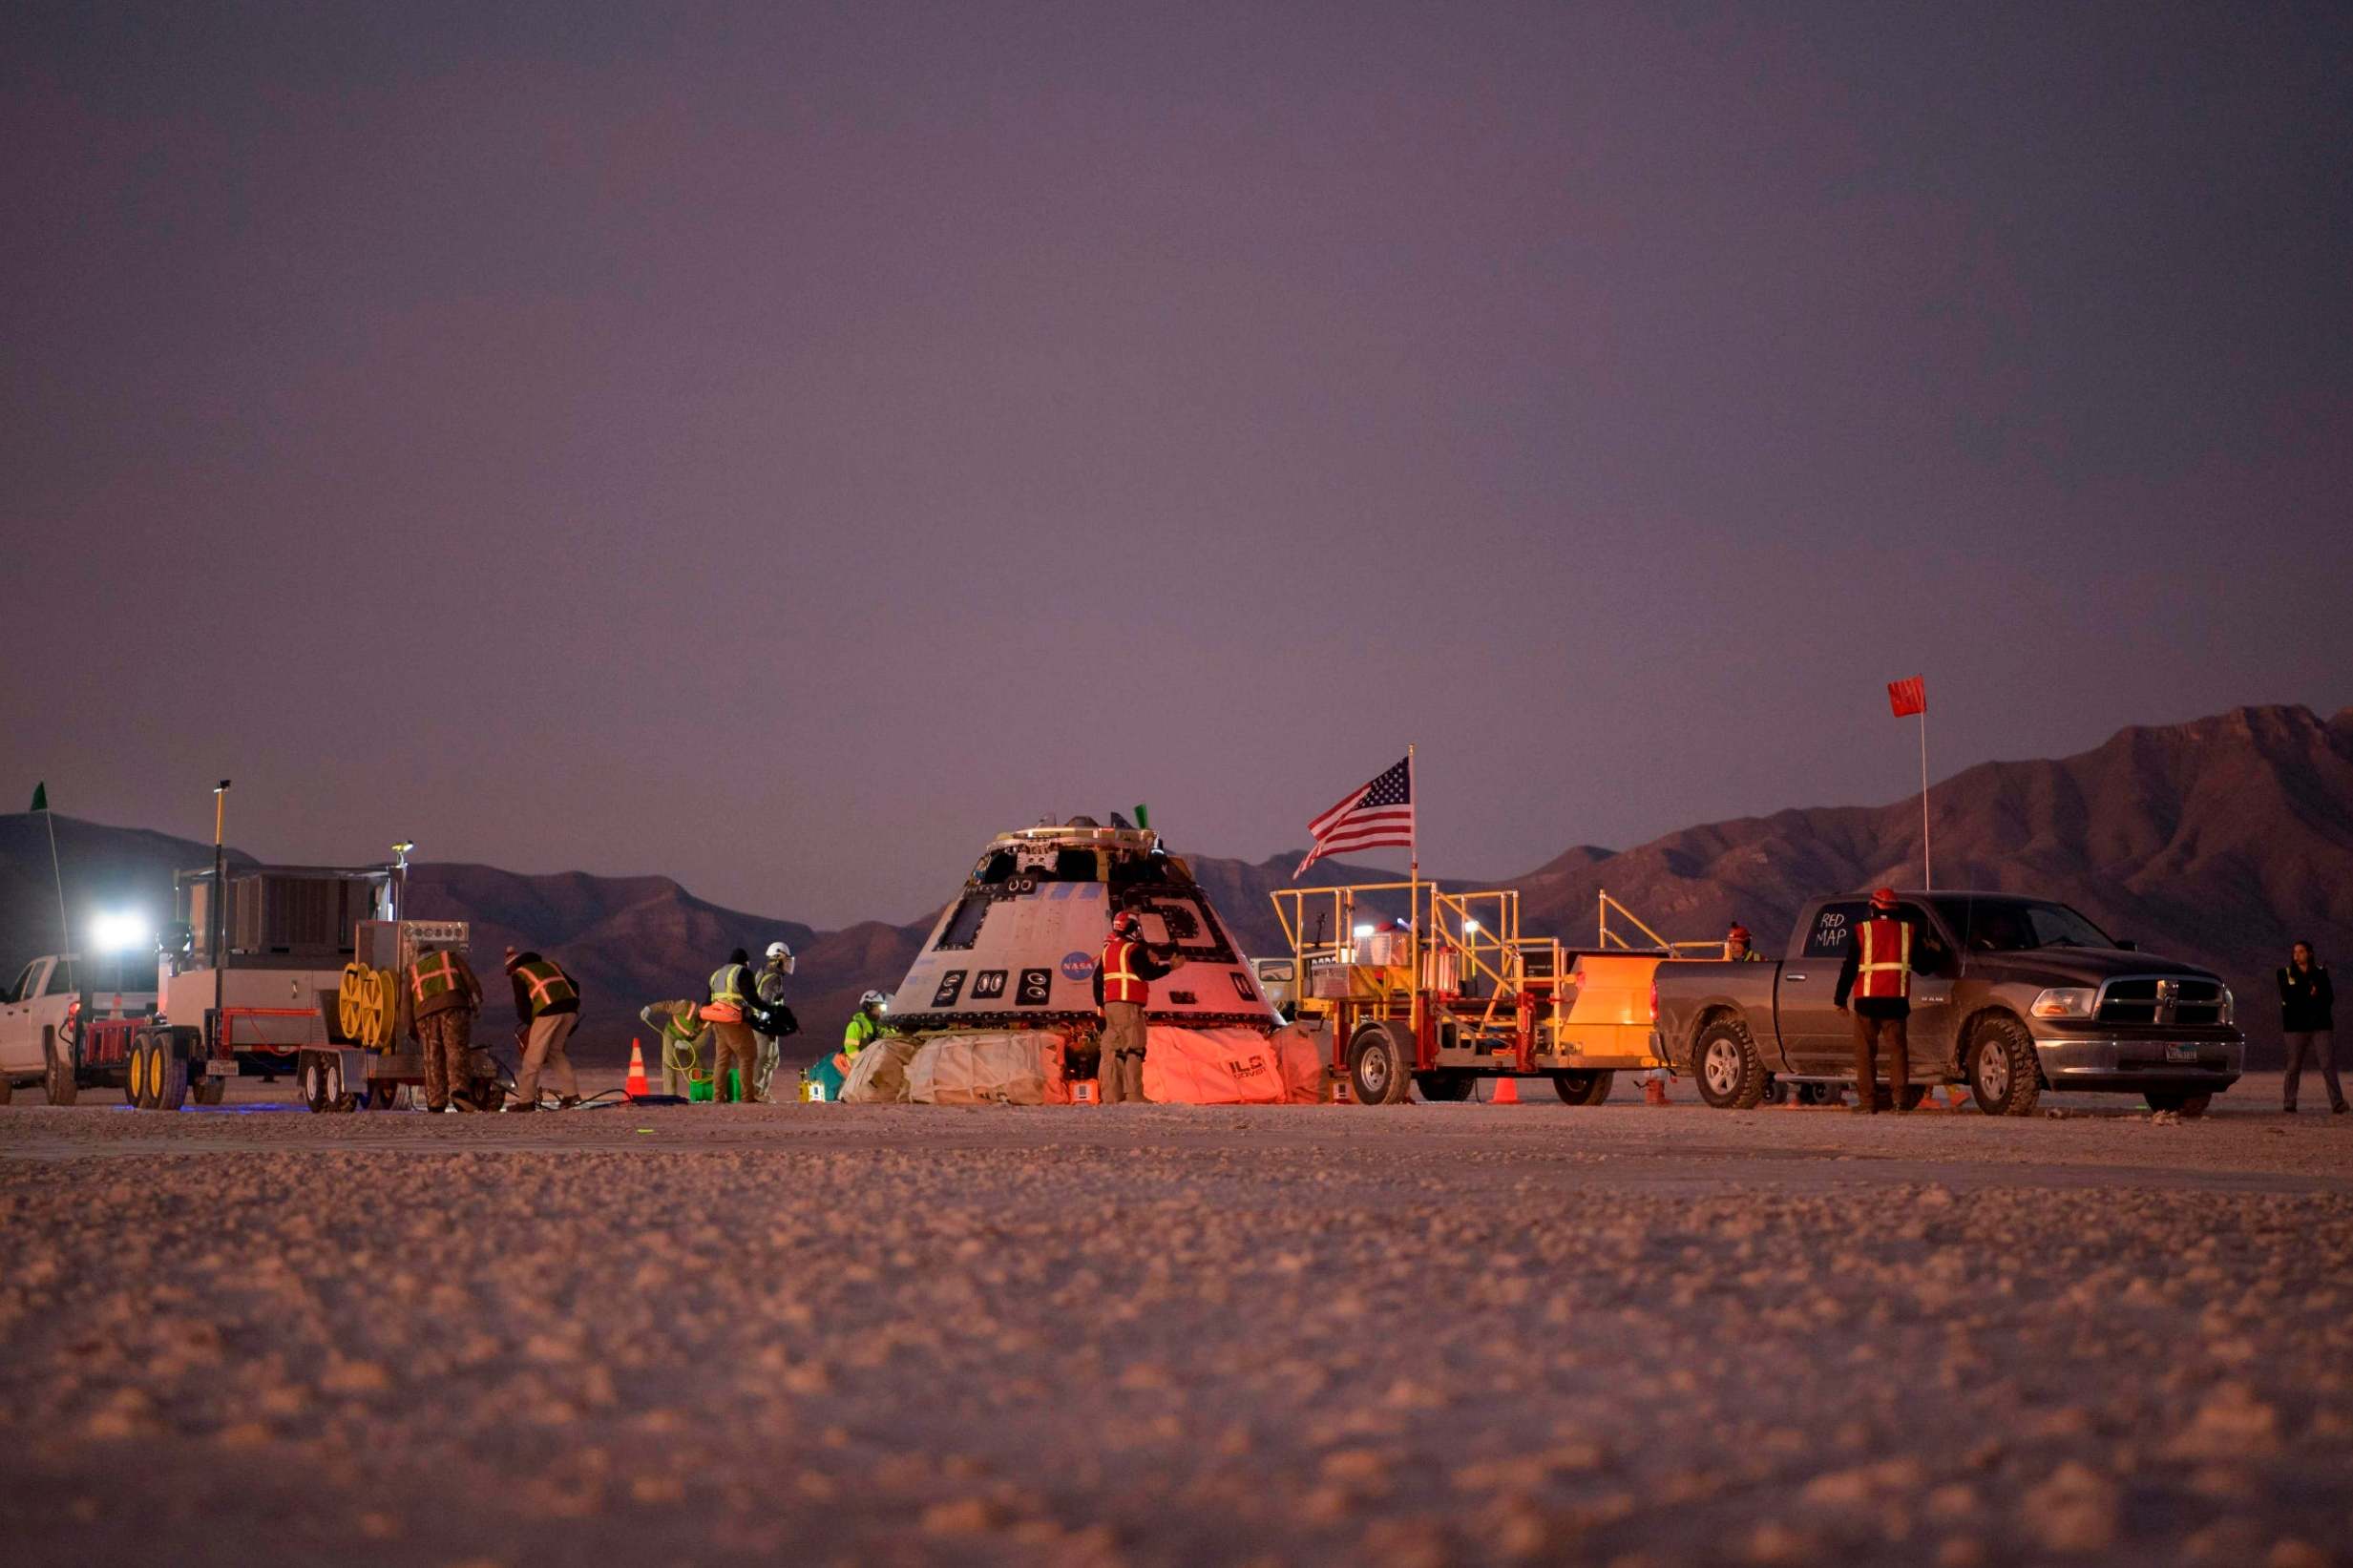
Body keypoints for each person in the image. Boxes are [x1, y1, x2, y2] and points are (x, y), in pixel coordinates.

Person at [1834, 888, 1914, 1114]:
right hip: (1896, 1003)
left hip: (1867, 1003)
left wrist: (1840, 999)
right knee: (1898, 1052)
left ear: (1873, 907)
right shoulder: (1907, 931)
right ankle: (1900, 1101)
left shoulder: (1863, 930)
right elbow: (1925, 965)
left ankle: (1868, 1103)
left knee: (1866, 1054)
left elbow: (1849, 968)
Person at [1092, 910, 1180, 1104]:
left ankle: (1111, 1096)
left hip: (1111, 1006)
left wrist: (1100, 1010)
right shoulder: (1133, 949)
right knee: (1133, 1048)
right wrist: (1170, 966)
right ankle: (1133, 1095)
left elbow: (1098, 980)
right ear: (1133, 927)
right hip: (1129, 1005)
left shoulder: (1108, 950)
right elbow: (1146, 973)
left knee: (1113, 1050)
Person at [406, 942, 485, 1113]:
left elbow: (406, 1003)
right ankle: (459, 1092)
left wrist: (410, 1029)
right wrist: (477, 1001)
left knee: (432, 1057)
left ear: (418, 955)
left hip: (425, 1015)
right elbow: (470, 980)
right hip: (454, 1007)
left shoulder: (412, 971)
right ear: (433, 951)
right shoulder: (449, 957)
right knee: (456, 1050)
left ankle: (436, 1102)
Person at [503, 946, 582, 1112]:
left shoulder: (520, 974)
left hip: (548, 1011)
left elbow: (522, 1006)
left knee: (532, 1058)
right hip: (570, 1009)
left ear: (513, 967)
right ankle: (571, 1095)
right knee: (555, 1051)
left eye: (509, 971)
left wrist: (531, 1023)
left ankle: (526, 1101)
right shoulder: (551, 965)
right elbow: (574, 986)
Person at [2279, 941, 2342, 1115]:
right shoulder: (2285, 974)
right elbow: (2289, 998)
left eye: (2301, 951)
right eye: (2295, 952)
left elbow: (2328, 998)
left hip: (2320, 1025)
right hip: (2295, 1027)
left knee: (2327, 1064)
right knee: (2294, 1066)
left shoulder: (2321, 974)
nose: (2297, 955)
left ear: (2310, 954)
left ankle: (2337, 1102)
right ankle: (2289, 1102)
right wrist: (2310, 994)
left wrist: (2313, 995)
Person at [706, 947, 762, 1104]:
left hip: (718, 1022)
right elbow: (751, 997)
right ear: (745, 962)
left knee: (722, 1060)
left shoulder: (716, 975)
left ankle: (717, 1097)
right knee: (747, 1056)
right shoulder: (742, 972)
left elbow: (706, 1001)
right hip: (735, 1021)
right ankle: (747, 1096)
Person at [639, 998, 711, 1098]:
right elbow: (666, 1005)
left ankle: (701, 1093)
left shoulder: (708, 1023)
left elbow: (701, 1042)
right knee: (669, 1063)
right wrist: (649, 1009)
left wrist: (687, 1045)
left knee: (695, 1065)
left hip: (687, 1042)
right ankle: (670, 1095)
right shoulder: (685, 1006)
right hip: (672, 1034)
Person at [752, 941, 797, 1102]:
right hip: (764, 1026)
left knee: (771, 1059)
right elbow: (766, 1002)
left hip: (761, 1024)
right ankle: (756, 1093)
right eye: (786, 960)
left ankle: (760, 1092)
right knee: (763, 1058)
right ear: (777, 958)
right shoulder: (773, 979)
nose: (788, 963)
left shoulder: (764, 974)